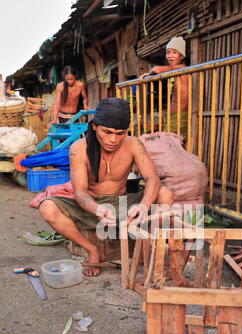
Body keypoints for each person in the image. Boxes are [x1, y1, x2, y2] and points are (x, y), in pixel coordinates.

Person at [39, 98, 173, 277]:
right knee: (47, 207)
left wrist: (143, 206)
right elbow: (79, 192)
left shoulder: (133, 144)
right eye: (107, 132)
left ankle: (146, 248)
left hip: (123, 206)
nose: (113, 139)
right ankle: (93, 250)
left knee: (165, 192)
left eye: (120, 133)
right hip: (90, 208)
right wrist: (97, 208)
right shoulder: (79, 148)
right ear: (94, 126)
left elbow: (153, 179)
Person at [139, 36, 189, 142]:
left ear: (182, 56)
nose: (170, 56)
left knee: (171, 145)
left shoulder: (182, 68)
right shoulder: (175, 71)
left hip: (179, 117)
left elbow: (157, 69)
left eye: (174, 52)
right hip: (172, 117)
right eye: (168, 52)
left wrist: (149, 74)